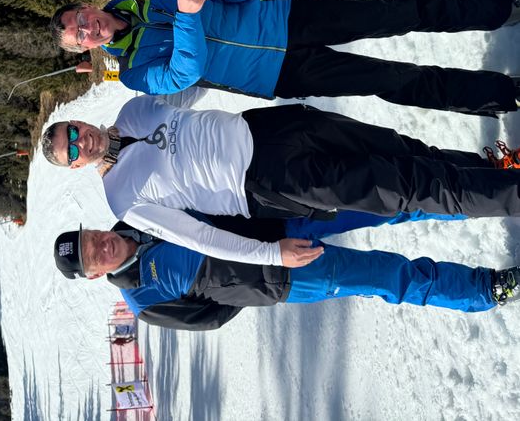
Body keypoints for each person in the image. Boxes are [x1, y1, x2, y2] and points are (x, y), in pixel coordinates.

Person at [40, 95, 520, 269]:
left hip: (271, 127)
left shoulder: (133, 109)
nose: (82, 142)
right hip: (265, 182)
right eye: (73, 152)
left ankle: (498, 171)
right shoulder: (123, 200)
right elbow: (200, 237)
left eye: (74, 132)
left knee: (396, 148)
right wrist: (271, 254)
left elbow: (186, 71)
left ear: (79, 121)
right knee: (407, 188)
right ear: (77, 167)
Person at [50, 0, 520, 114]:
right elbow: (184, 74)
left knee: (395, 10)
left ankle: (499, 4)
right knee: (391, 78)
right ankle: (499, 93)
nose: (88, 28)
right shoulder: (133, 71)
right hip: (276, 74)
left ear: (87, 7)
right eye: (81, 36)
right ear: (86, 48)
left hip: (284, 19)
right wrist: (189, 18)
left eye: (80, 19)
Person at [53, 215, 520, 330]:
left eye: (92, 238)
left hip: (278, 220)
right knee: (385, 275)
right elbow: (209, 318)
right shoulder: (142, 299)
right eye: (93, 257)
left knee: (383, 201)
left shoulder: (136, 217)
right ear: (95, 274)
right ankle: (486, 289)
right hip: (283, 276)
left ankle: (485, 187)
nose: (101, 246)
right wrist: (249, 281)